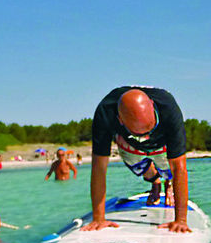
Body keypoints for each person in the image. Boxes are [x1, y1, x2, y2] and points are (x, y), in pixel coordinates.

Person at [82, 86, 191, 233]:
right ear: (120, 119)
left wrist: (181, 220)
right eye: (140, 134)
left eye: (150, 129)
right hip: (129, 145)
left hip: (162, 146)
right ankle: (155, 182)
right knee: (143, 170)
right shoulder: (106, 111)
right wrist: (98, 218)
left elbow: (179, 167)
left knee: (169, 171)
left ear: (152, 105)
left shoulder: (169, 108)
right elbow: (99, 167)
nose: (146, 137)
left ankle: (167, 183)